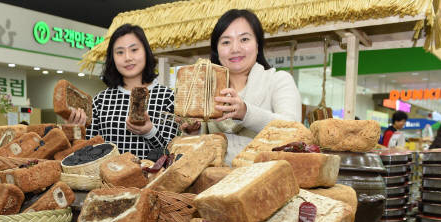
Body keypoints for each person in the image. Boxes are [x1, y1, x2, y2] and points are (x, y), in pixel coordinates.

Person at [182, 9, 301, 165]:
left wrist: (245, 112)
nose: (235, 48)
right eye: (226, 42)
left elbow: (295, 131)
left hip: (265, 182)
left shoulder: (278, 80)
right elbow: (199, 153)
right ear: (217, 51)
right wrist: (193, 131)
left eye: (244, 39)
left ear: (257, 45)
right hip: (216, 183)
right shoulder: (206, 92)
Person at [65, 24, 180, 159]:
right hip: (108, 179)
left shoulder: (167, 97)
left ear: (146, 52)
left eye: (134, 50)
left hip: (155, 178)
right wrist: (74, 131)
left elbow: (173, 154)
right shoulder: (100, 101)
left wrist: (150, 132)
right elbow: (88, 153)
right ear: (112, 58)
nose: (127, 57)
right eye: (120, 52)